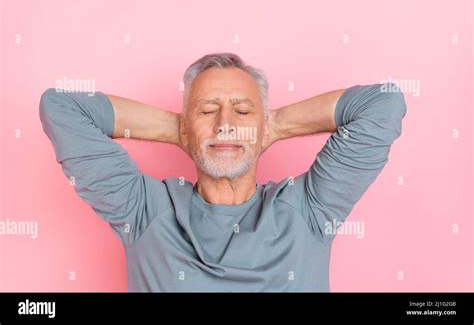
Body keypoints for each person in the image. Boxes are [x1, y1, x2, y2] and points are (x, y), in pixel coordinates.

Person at [39, 52, 406, 292]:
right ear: (185, 127)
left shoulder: (310, 210)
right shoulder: (143, 211)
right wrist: (182, 130)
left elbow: (384, 103)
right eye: (207, 110)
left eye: (242, 111)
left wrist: (273, 126)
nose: (225, 124)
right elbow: (60, 108)